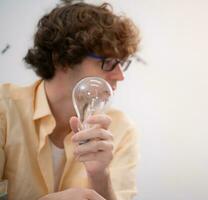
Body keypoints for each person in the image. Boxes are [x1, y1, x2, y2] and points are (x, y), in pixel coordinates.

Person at [0, 2, 140, 200]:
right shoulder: (4, 110)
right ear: (62, 58)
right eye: (108, 62)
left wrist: (100, 175)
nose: (120, 76)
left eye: (122, 63)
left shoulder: (120, 129)